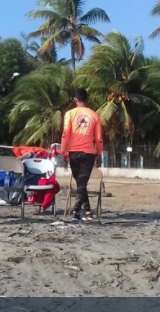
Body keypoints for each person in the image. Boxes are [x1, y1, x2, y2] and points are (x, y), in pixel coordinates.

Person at [60, 88, 103, 223]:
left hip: (74, 153)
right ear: (87, 99)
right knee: (81, 183)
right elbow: (99, 138)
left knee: (81, 183)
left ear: (75, 99)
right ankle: (88, 211)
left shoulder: (69, 114)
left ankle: (75, 212)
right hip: (88, 153)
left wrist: (62, 151)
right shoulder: (94, 115)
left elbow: (66, 134)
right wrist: (100, 153)